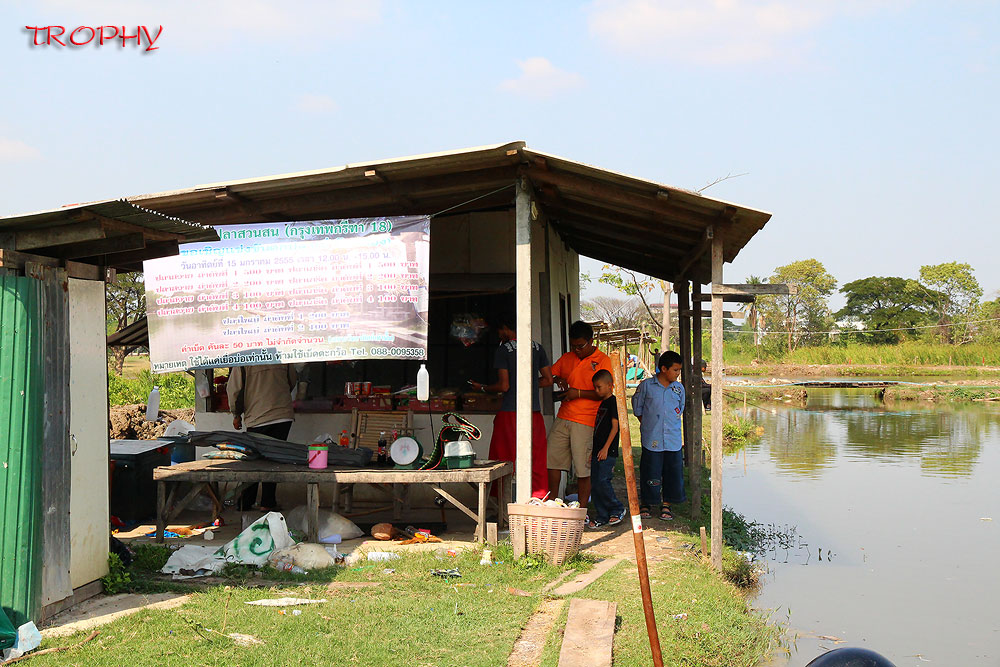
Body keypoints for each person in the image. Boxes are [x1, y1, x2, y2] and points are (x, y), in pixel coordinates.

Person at [469, 315, 553, 498]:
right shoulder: (537, 347)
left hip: (510, 412)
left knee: (503, 459)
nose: (499, 335)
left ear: (506, 328)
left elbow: (504, 386)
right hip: (534, 413)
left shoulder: (503, 350)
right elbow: (548, 380)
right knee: (536, 458)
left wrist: (482, 387)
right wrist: (528, 383)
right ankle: (538, 498)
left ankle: (502, 502)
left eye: (500, 331)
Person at [548, 320, 614, 512]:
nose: (576, 350)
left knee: (583, 468)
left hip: (586, 420)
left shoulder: (603, 360)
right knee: (552, 460)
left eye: (580, 346)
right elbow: (551, 374)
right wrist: (558, 378)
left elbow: (604, 393)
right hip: (563, 416)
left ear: (591, 341)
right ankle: (552, 503)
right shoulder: (567, 358)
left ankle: (582, 510)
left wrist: (577, 393)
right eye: (573, 346)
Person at [227, 363, 297, 511]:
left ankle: (246, 501)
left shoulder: (243, 359)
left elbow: (234, 390)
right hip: (282, 415)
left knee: (254, 459)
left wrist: (236, 414)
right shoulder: (280, 355)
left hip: (257, 416)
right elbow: (292, 380)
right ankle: (268, 502)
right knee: (274, 459)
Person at [631, 350, 686, 521]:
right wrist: (649, 425)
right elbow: (638, 409)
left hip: (673, 439)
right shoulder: (647, 386)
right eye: (675, 370)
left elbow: (680, 409)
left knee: (672, 471)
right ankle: (647, 502)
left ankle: (667, 504)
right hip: (652, 439)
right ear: (663, 369)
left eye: (679, 370)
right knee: (650, 470)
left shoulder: (678, 389)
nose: (678, 374)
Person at [588, 369, 625, 528]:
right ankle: (602, 515)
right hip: (597, 451)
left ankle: (617, 508)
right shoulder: (602, 403)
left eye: (599, 387)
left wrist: (605, 448)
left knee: (603, 481)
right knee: (595, 483)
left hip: (607, 451)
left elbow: (615, 428)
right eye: (595, 387)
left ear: (610, 385)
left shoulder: (613, 402)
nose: (597, 391)